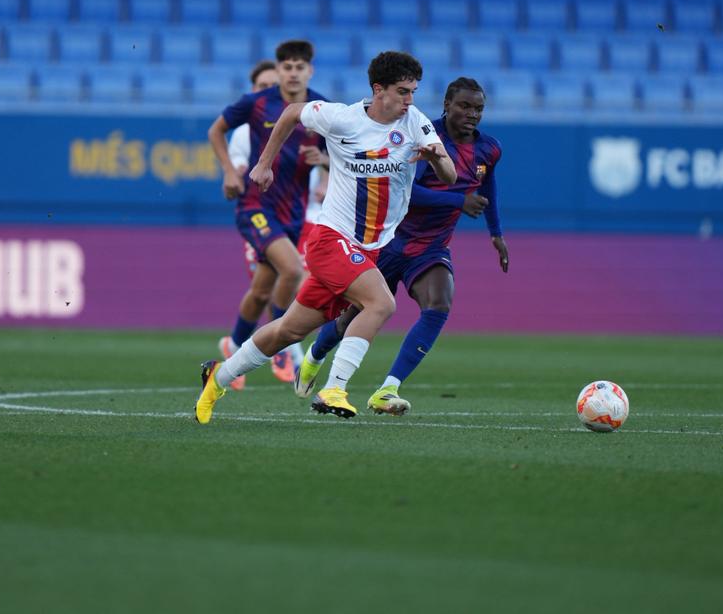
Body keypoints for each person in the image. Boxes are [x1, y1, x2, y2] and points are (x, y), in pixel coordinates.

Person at [195, 51, 456, 424]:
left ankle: (217, 378)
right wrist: (264, 163)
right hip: (330, 239)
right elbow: (289, 114)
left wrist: (435, 159)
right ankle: (334, 387)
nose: (410, 100)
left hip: (368, 250)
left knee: (289, 330)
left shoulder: (414, 123)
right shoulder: (341, 117)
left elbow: (447, 174)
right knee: (381, 304)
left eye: (413, 91)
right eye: (402, 91)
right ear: (378, 90)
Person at [296, 77, 508, 416]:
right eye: (464, 106)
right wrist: (457, 201)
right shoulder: (421, 136)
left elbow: (488, 186)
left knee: (439, 304)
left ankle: (388, 388)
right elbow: (409, 195)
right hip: (388, 240)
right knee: (351, 316)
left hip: (431, 247)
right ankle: (315, 356)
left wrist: (495, 233)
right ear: (447, 106)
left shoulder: (489, 148)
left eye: (478, 108)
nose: (472, 114)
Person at [207, 41, 329, 387]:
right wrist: (230, 172)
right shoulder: (258, 103)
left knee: (262, 290)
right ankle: (281, 347)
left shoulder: (322, 108)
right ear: (279, 70)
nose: (292, 73)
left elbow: (343, 151)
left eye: (299, 67)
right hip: (256, 206)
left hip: (294, 212)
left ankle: (233, 345)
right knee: (291, 270)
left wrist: (327, 166)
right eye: (286, 67)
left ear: (310, 71)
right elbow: (216, 130)